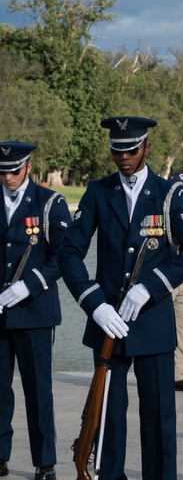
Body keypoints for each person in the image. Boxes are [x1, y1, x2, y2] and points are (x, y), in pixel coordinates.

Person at [57, 117, 183, 480]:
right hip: (108, 320)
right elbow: (68, 252)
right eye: (117, 149)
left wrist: (151, 286)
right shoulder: (98, 191)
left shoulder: (169, 193)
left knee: (157, 416)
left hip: (152, 321)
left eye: (131, 149)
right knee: (107, 416)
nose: (123, 156)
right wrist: (94, 303)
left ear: (147, 148)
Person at [0, 142, 70, 480]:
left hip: (34, 310)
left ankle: (45, 461)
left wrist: (27, 285)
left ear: (28, 166)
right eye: (2, 171)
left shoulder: (49, 203)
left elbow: (64, 256)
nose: (8, 177)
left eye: (14, 170)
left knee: (38, 388)